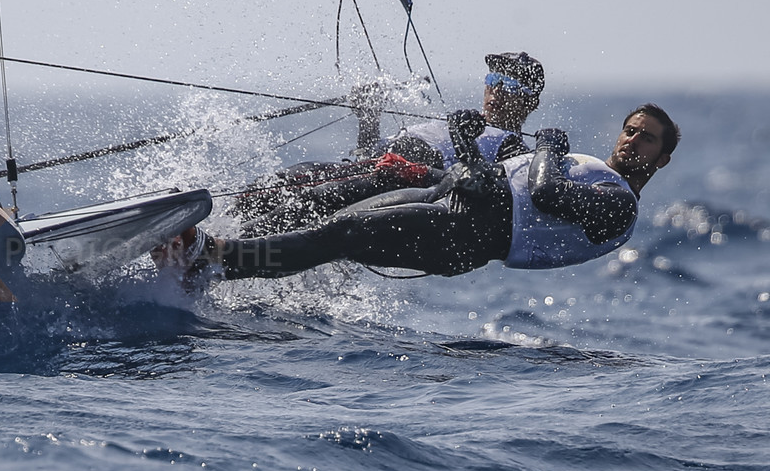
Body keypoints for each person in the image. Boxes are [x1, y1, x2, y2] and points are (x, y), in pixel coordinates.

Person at [158, 103, 678, 281]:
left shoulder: (618, 205)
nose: (633, 140)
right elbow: (494, 184)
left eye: (646, 138)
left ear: (661, 159)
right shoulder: (596, 172)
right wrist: (463, 141)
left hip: (465, 236)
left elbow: (542, 195)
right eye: (630, 130)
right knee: (332, 229)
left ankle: (212, 260)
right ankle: (216, 260)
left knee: (338, 237)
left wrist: (545, 145)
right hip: (454, 205)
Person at [232, 51, 547, 235]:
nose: (496, 91)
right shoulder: (461, 120)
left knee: (308, 199)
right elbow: (367, 154)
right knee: (275, 184)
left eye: (509, 83)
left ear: (530, 101)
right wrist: (369, 116)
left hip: (395, 188)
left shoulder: (512, 149)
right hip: (365, 168)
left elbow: (484, 193)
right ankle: (214, 231)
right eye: (493, 80)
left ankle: (222, 249)